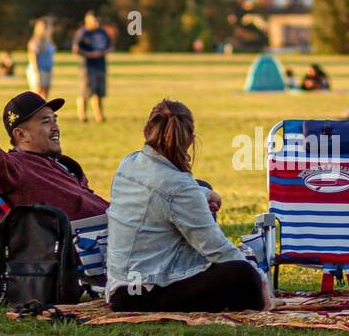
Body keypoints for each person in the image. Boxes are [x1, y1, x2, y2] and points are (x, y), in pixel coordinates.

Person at [106, 100, 267, 313]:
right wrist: (260, 279)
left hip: (122, 288)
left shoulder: (129, 163)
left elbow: (161, 193)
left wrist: (205, 193)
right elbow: (217, 249)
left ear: (146, 132)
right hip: (147, 294)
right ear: (190, 140)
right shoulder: (180, 187)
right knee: (243, 275)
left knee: (202, 186)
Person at [0, 68, 108, 220]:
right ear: (21, 134)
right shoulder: (13, 167)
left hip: (113, 228)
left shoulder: (63, 164)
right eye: (46, 121)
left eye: (55, 120)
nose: (55, 127)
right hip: (85, 244)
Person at [72, 11, 111, 122]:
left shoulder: (102, 32)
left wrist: (103, 52)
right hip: (87, 66)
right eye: (94, 21)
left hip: (100, 65)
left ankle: (99, 116)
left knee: (98, 92)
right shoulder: (83, 33)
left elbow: (110, 46)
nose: (96, 23)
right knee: (86, 92)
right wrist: (90, 54)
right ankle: (82, 116)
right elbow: (76, 48)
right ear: (87, 21)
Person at [26, 17, 56, 100]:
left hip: (47, 69)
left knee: (45, 95)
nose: (50, 28)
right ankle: (32, 112)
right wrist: (37, 72)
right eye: (48, 27)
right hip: (38, 70)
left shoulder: (49, 40)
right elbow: (32, 57)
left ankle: (42, 112)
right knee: (36, 94)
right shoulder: (35, 41)